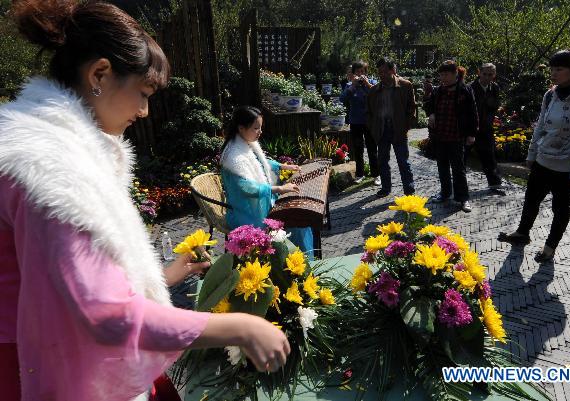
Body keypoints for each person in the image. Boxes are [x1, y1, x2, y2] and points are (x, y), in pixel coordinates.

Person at [0, 2, 290, 401]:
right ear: (99, 73)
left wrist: (162, 277)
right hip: (42, 369)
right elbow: (105, 313)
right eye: (143, 93)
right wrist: (240, 327)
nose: (144, 110)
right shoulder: (48, 166)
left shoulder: (53, 147)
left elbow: (69, 277)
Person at [498, 49, 570, 262]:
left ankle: (549, 248)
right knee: (531, 200)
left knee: (560, 209)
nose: (553, 73)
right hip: (543, 162)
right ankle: (522, 233)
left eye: (559, 69)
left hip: (567, 168)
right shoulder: (550, 94)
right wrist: (532, 154)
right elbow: (540, 127)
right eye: (552, 69)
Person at [220, 106, 314, 257]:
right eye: (256, 128)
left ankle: (303, 261)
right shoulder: (233, 157)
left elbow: (259, 162)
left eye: (261, 127)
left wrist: (282, 165)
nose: (260, 132)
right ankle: (301, 264)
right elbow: (247, 188)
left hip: (254, 208)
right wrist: (279, 189)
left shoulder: (242, 144)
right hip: (246, 214)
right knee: (298, 222)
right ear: (241, 128)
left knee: (299, 219)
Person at [424, 60, 478, 212]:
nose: (442, 78)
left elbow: (473, 113)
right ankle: (445, 193)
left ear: (455, 74)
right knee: (442, 167)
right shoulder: (438, 90)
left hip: (456, 136)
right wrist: (431, 114)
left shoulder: (465, 90)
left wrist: (472, 134)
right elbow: (428, 104)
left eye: (446, 74)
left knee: (458, 169)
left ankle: (463, 198)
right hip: (440, 136)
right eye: (441, 75)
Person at [366, 57, 416, 198]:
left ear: (393, 70)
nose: (382, 75)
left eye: (384, 72)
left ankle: (409, 190)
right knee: (382, 161)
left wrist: (406, 126)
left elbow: (412, 108)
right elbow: (368, 112)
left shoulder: (405, 86)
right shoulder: (374, 90)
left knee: (403, 162)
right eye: (379, 73)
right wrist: (372, 127)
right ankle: (386, 188)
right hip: (381, 130)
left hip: (399, 129)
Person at [340, 61, 380, 185]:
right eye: (357, 71)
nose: (360, 74)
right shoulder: (349, 85)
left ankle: (376, 175)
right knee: (358, 149)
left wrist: (367, 84)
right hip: (355, 121)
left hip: (369, 121)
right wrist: (353, 85)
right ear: (354, 73)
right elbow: (343, 98)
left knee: (372, 149)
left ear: (366, 72)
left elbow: (378, 94)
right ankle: (360, 174)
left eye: (362, 71)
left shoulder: (372, 83)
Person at [466, 63, 503, 189]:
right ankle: (458, 184)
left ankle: (494, 183)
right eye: (485, 74)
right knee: (463, 157)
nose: (487, 77)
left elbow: (494, 106)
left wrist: (489, 120)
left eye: (490, 74)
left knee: (489, 155)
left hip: (486, 128)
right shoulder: (469, 88)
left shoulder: (495, 88)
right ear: (479, 73)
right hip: (470, 129)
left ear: (494, 75)